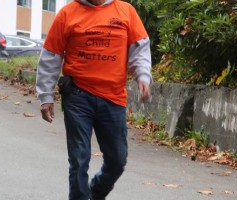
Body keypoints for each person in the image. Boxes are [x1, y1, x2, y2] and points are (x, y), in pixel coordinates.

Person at [36, 0, 152, 199]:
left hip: (113, 98)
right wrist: (45, 96)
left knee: (117, 160)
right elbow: (51, 56)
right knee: (79, 159)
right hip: (78, 96)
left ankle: (95, 193)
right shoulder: (67, 14)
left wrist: (142, 75)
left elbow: (139, 49)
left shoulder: (126, 12)